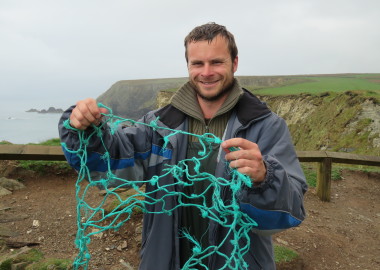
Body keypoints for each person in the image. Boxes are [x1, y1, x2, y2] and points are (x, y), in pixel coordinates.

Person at [59, 22, 307, 270]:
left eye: (217, 62)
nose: (207, 72)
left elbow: (289, 214)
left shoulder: (266, 127)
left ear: (235, 63)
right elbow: (109, 168)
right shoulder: (158, 126)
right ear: (188, 66)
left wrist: (264, 178)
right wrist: (84, 130)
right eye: (197, 63)